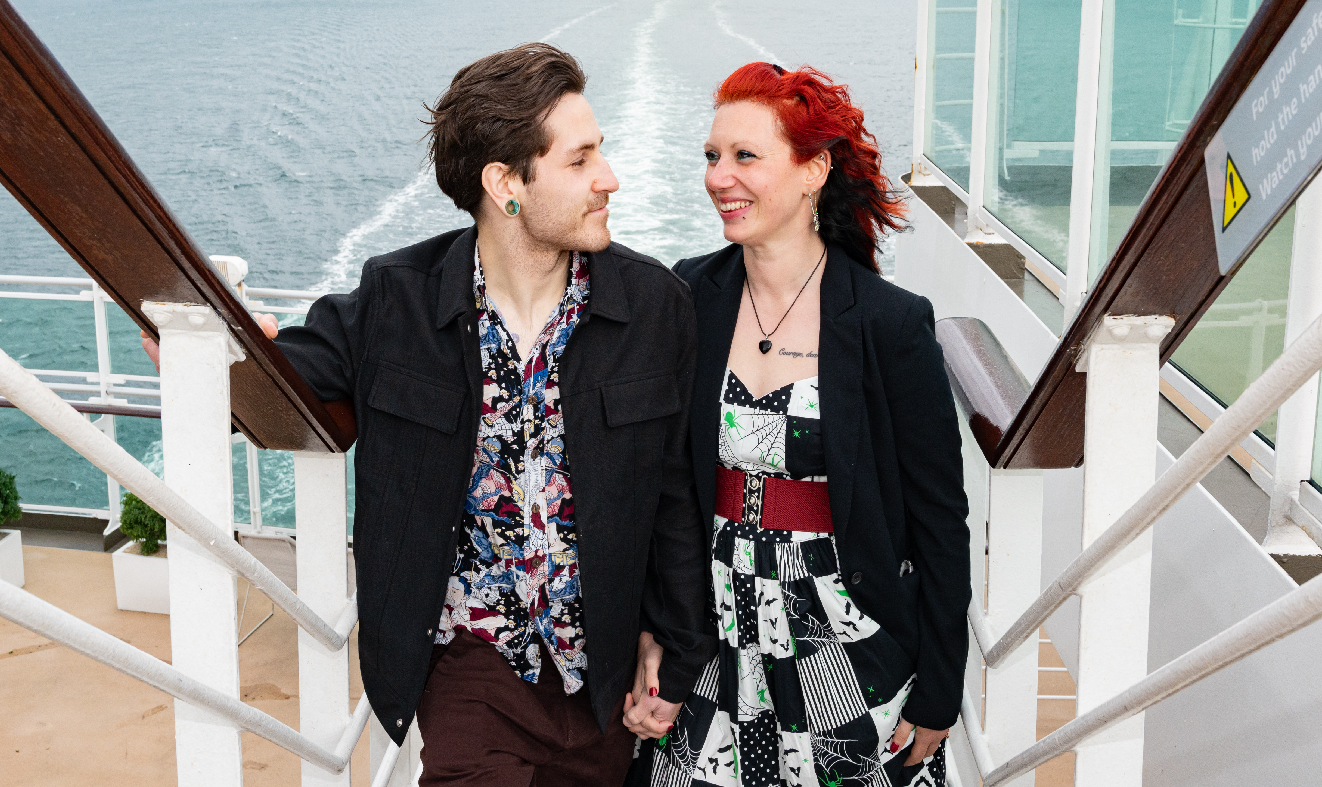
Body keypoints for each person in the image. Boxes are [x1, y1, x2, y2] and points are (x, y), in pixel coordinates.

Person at [145, 43, 715, 786]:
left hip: (600, 673)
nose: (609, 178)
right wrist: (209, 353)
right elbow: (275, 380)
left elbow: (672, 492)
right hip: (472, 665)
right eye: (580, 161)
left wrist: (674, 650)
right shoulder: (395, 300)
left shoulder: (653, 307)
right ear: (505, 183)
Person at [623, 62, 971, 787]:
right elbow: (658, 489)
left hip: (843, 640)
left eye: (746, 156)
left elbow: (941, 522)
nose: (721, 176)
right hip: (709, 630)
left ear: (814, 170)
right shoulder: (687, 295)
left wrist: (941, 687)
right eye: (713, 157)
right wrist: (652, 630)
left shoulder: (888, 324)